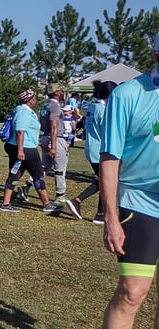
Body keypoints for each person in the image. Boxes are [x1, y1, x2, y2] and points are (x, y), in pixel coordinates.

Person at [82, 34, 159, 329]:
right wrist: (110, 216)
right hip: (138, 204)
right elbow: (109, 157)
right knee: (132, 292)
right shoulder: (129, 95)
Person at [0, 87, 63, 214]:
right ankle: (47, 204)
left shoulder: (21, 110)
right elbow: (20, 131)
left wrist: (41, 145)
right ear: (30, 99)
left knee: (15, 174)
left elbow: (27, 133)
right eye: (34, 97)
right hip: (25, 149)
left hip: (19, 146)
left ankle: (5, 203)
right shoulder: (24, 112)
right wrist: (21, 150)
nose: (36, 99)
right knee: (38, 175)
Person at [65, 80, 117, 223]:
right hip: (100, 148)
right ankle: (78, 201)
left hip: (91, 147)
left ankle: (100, 214)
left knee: (104, 180)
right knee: (105, 180)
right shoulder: (104, 110)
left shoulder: (93, 107)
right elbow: (108, 131)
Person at [39, 83, 69, 202]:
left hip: (46, 137)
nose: (63, 93)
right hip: (55, 138)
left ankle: (28, 185)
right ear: (56, 92)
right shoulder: (55, 106)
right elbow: (54, 127)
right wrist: (54, 147)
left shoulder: (45, 106)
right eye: (61, 91)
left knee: (45, 167)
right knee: (60, 168)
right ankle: (60, 194)